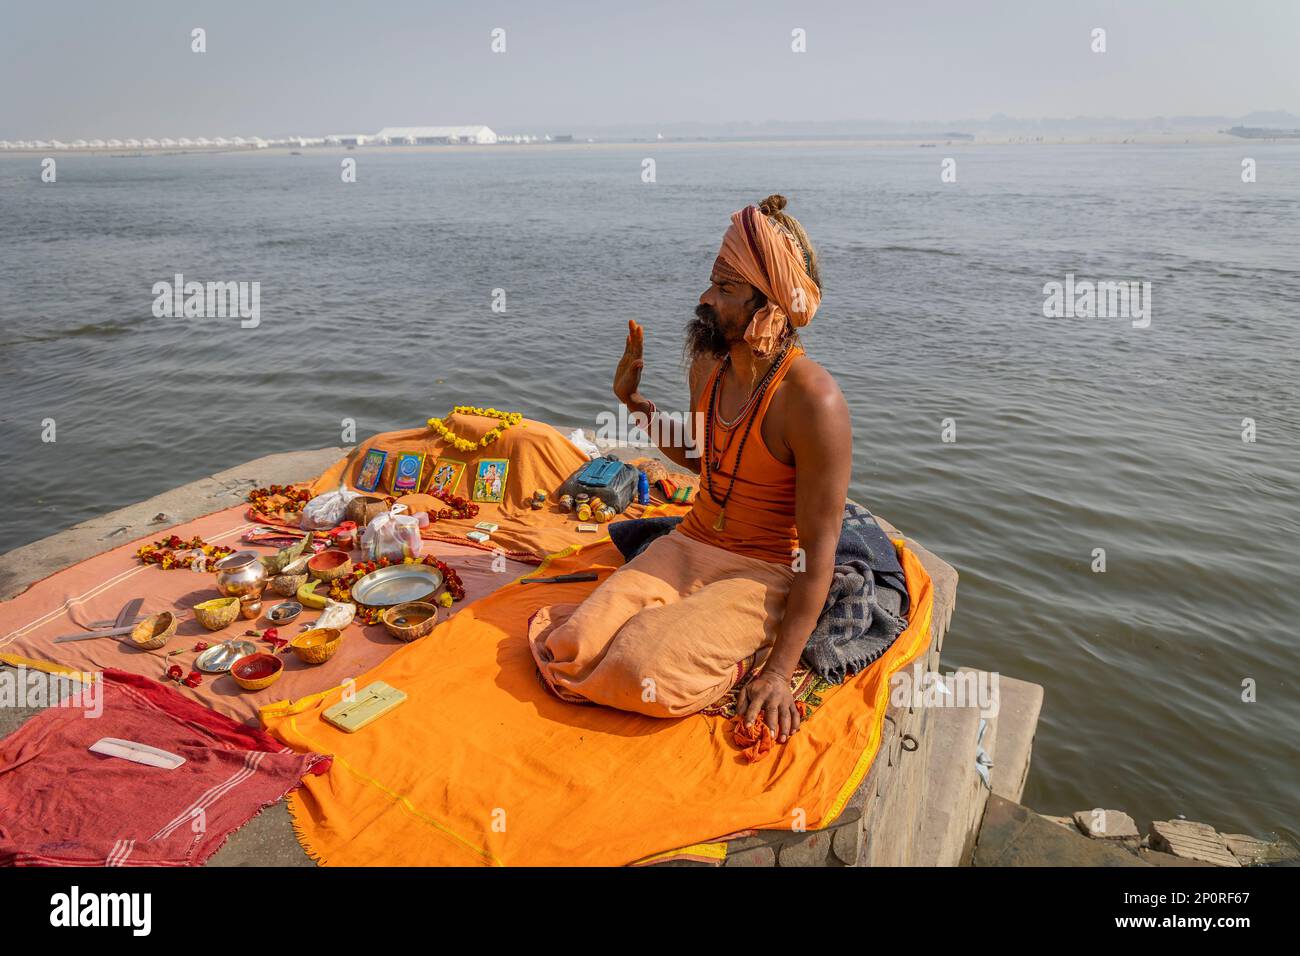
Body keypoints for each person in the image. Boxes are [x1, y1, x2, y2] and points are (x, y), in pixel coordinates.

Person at [528, 195, 850, 745]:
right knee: (570, 645)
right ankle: (676, 630)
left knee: (642, 671)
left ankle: (742, 652)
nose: (705, 299)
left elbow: (818, 560)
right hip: (689, 541)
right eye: (712, 282)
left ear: (769, 305)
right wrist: (636, 404)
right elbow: (706, 455)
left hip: (762, 570)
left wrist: (777, 673)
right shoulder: (711, 364)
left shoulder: (812, 400)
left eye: (725, 289)